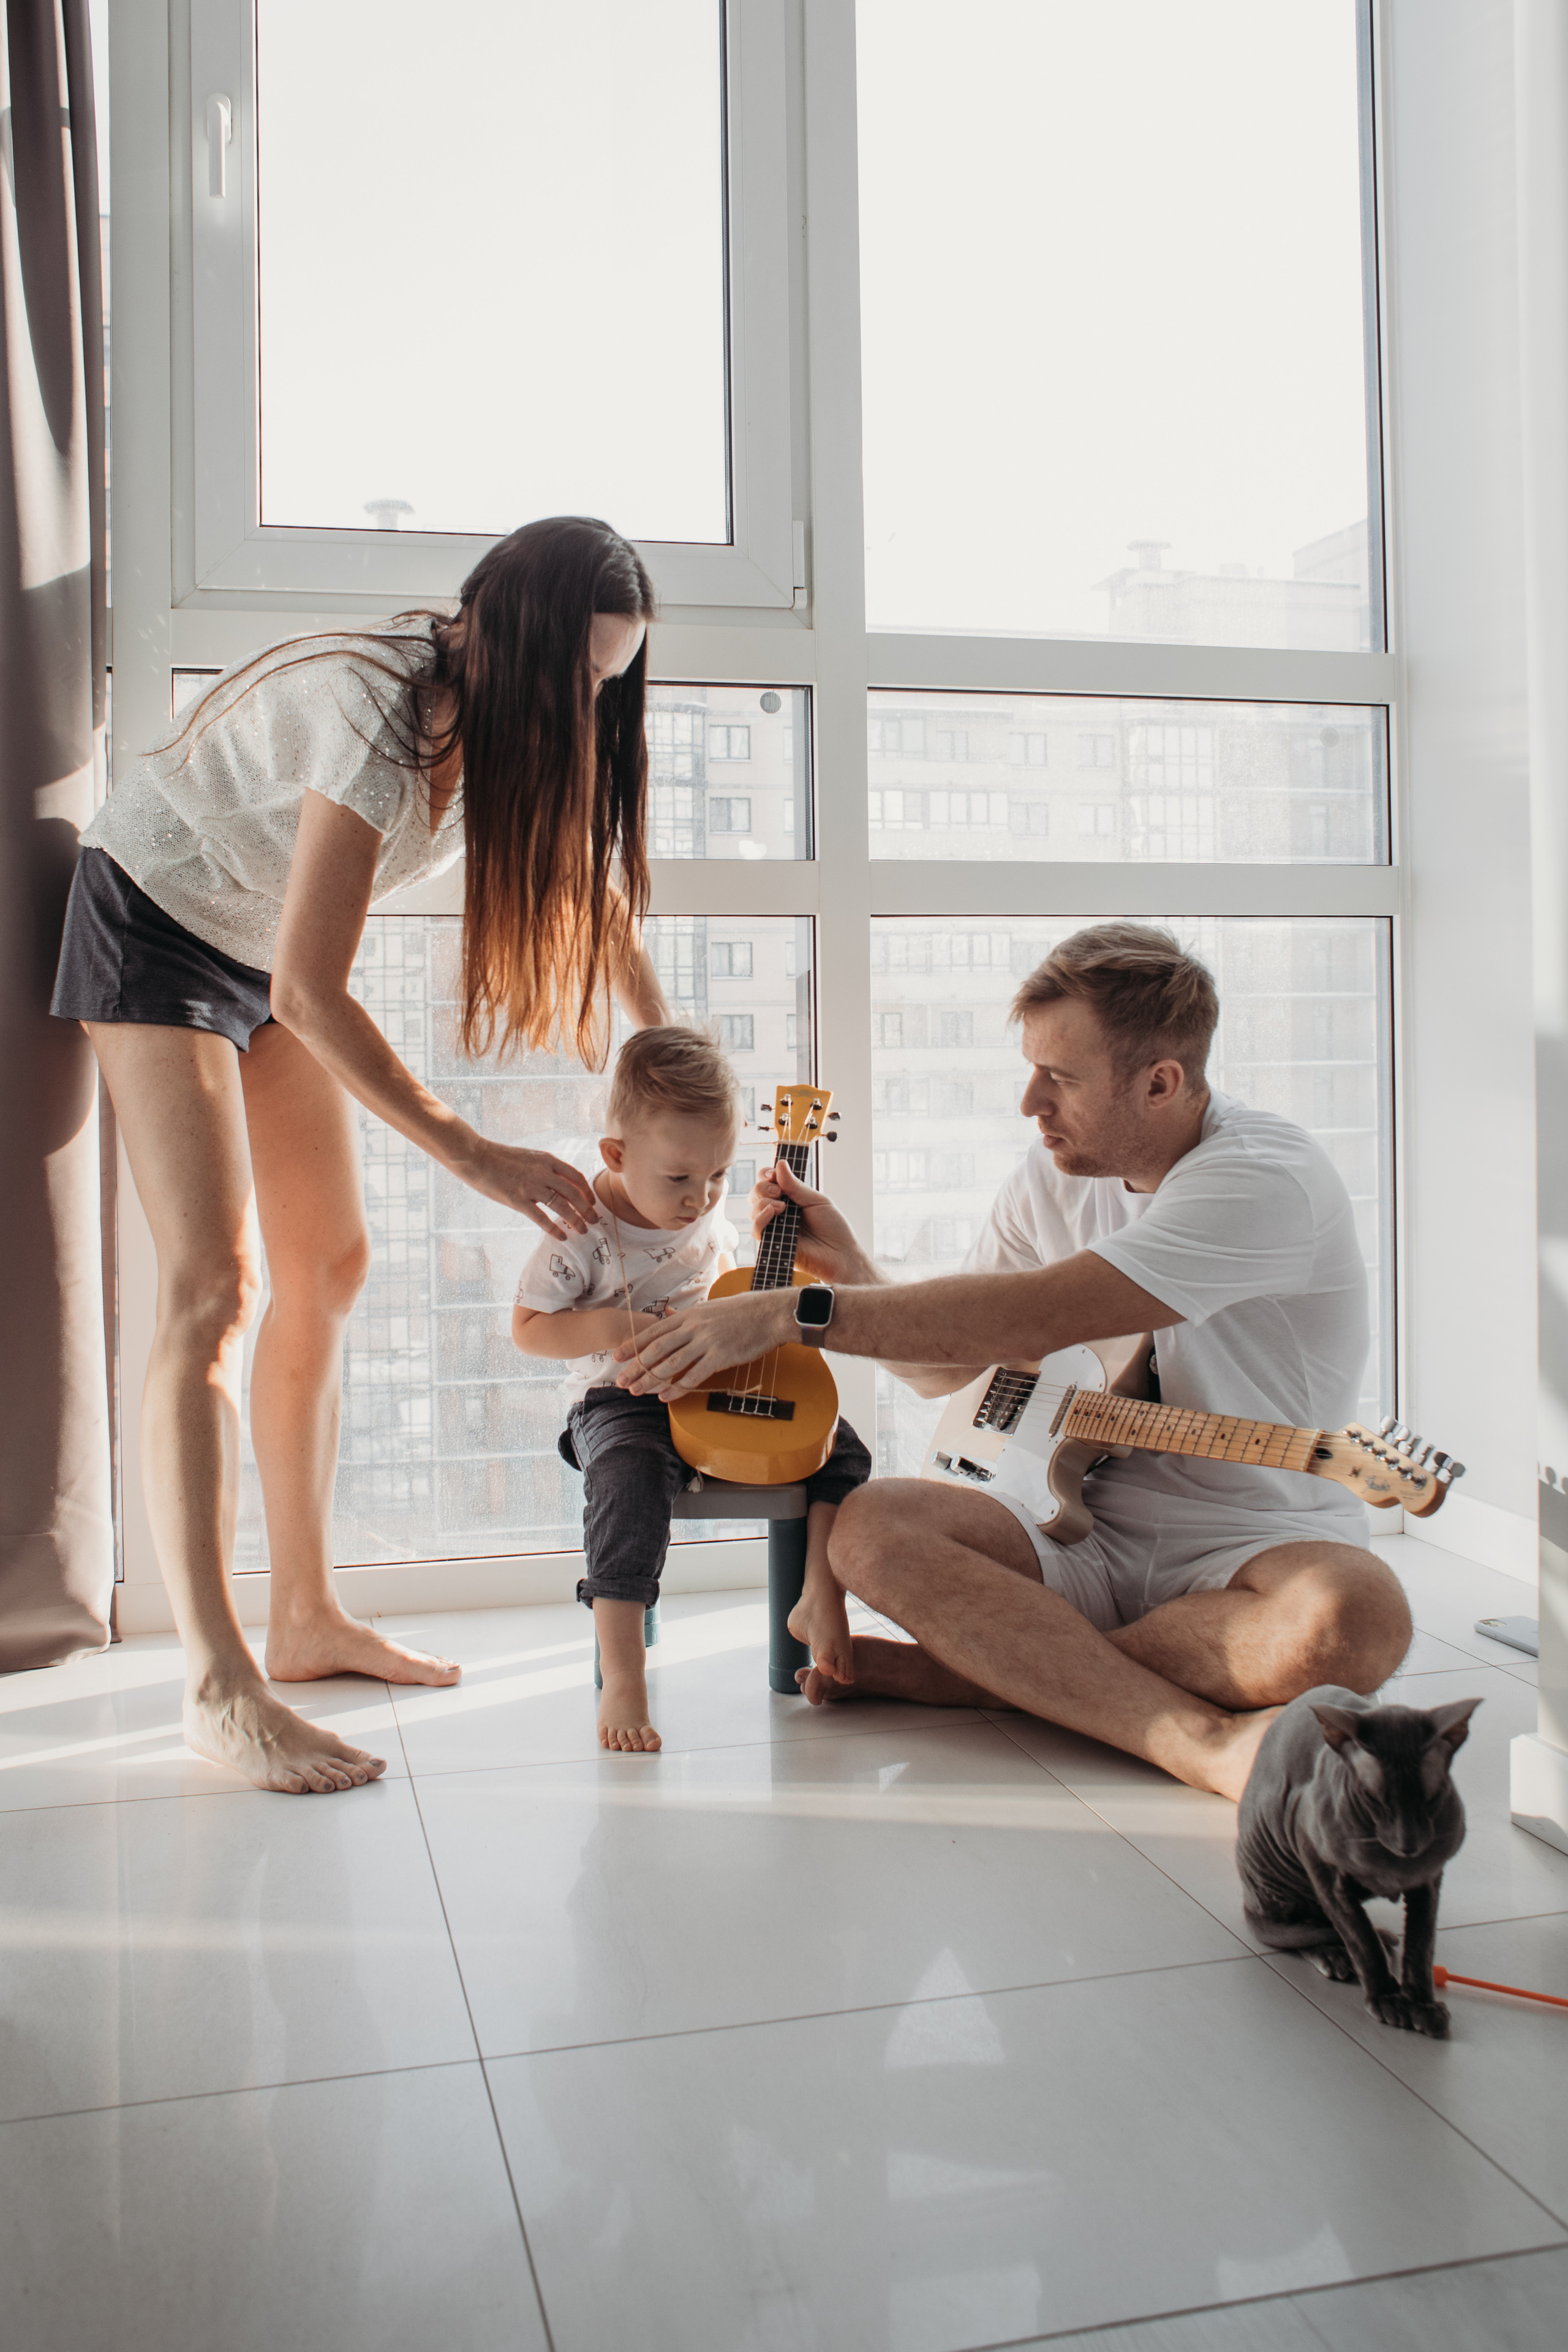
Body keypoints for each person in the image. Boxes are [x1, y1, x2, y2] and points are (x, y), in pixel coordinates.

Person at [51, 515, 668, 1794]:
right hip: (155, 916)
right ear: (507, 641)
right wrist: (471, 1151)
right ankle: (218, 1684)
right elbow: (316, 990)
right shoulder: (379, 715)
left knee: (328, 1267)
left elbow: (587, 903)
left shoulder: (512, 736)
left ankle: (306, 1614)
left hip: (259, 949)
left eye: (609, 686)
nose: (587, 709)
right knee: (213, 1287)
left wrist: (673, 1074)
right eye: (574, 677)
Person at [612, 923, 1412, 1803]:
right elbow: (953, 1370)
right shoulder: (1050, 1174)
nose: (1031, 1102)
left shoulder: (1263, 1180)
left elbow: (1040, 1311)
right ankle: (1189, 1731)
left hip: (1255, 1539)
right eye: (1031, 1068)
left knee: (1356, 1624)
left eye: (1060, 1078)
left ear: (1161, 1083)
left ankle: (988, 1671)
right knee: (870, 1529)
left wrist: (790, 1313)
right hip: (1071, 1523)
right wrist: (856, 1277)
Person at [513, 1026, 870, 1752]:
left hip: (716, 1378)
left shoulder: (703, 1203)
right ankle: (624, 1669)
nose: (699, 1197)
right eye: (679, 1179)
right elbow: (529, 1328)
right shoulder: (580, 1230)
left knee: (844, 1451)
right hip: (626, 1396)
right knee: (629, 1479)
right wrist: (620, 1324)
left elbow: (729, 1281)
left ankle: (818, 1594)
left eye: (718, 1175)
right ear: (616, 1155)